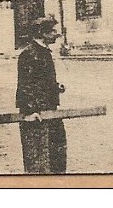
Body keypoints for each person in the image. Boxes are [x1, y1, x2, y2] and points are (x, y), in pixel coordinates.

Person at [16, 16, 67, 174]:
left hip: (50, 111)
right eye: (52, 31)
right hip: (36, 115)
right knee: (39, 159)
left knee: (56, 154)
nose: (56, 34)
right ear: (41, 33)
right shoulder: (29, 54)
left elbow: (41, 81)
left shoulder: (44, 52)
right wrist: (30, 112)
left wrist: (55, 87)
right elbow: (25, 85)